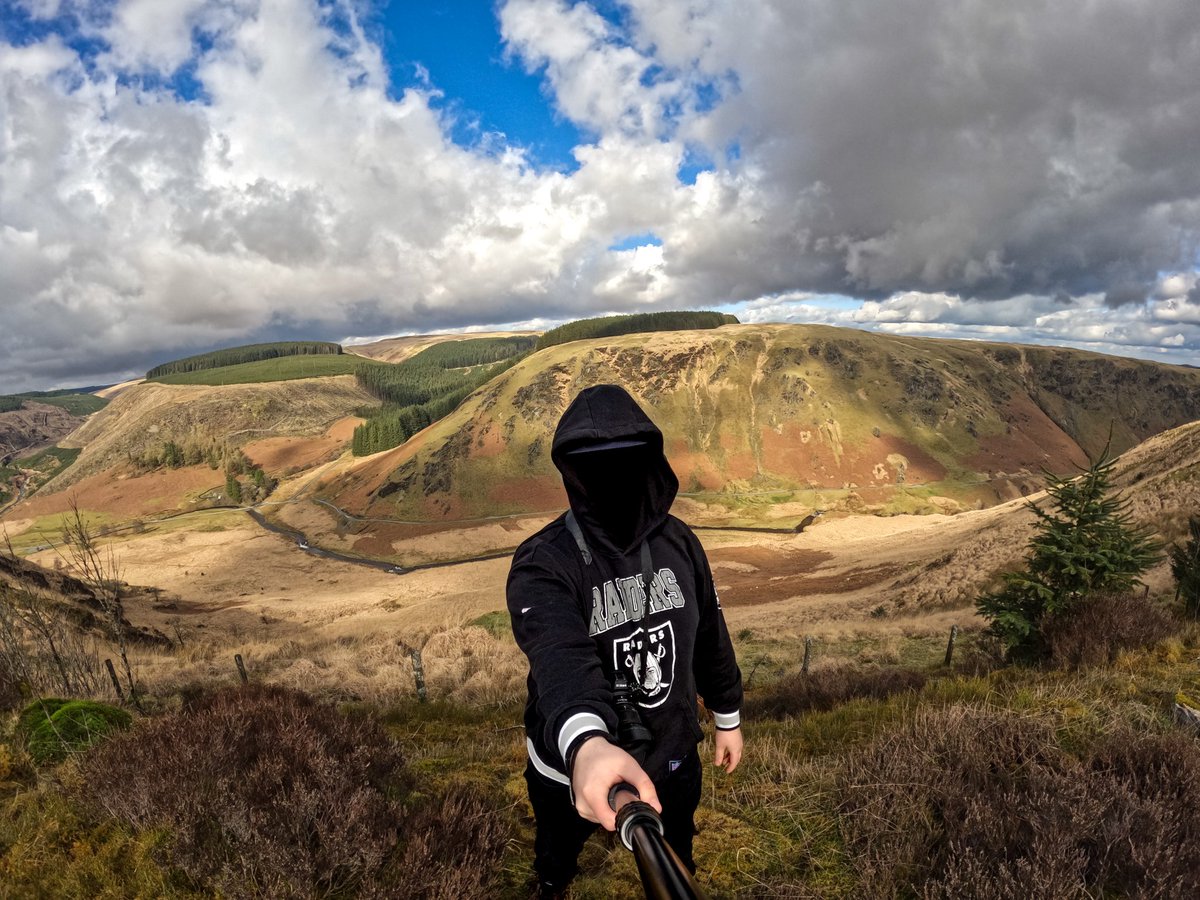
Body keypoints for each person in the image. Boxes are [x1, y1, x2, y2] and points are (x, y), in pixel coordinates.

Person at [508, 384, 744, 898]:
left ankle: (677, 872)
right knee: (558, 844)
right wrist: (587, 745)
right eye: (591, 464)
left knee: (676, 845)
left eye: (627, 460)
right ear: (570, 471)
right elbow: (558, 658)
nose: (611, 476)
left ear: (651, 461)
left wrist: (727, 716)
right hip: (567, 766)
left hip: (673, 754)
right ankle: (553, 883)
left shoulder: (681, 543)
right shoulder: (543, 562)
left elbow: (710, 634)